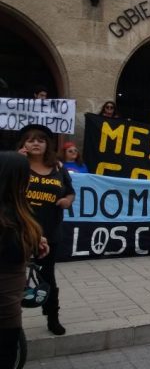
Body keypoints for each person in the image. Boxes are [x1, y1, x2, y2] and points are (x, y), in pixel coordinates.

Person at [17, 124, 75, 335]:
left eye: (40, 140)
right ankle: (11, 321)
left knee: (48, 277)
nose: (35, 143)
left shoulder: (59, 168)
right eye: (31, 139)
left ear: (47, 145)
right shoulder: (15, 165)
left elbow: (70, 192)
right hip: (19, 233)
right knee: (13, 278)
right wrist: (16, 161)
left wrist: (67, 201)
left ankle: (52, 318)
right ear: (24, 143)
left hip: (49, 233)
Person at [0, 152, 50, 367]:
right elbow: (12, 252)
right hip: (5, 313)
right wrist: (29, 243)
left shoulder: (15, 213)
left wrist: (33, 241)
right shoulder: (9, 219)